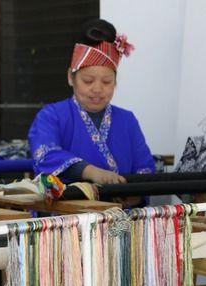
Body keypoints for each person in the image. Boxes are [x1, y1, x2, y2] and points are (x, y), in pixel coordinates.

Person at [28, 18, 155, 184]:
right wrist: (92, 172)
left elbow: (145, 168)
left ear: (115, 81)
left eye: (107, 81)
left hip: (123, 201)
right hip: (69, 202)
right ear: (70, 77)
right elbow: (45, 155)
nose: (97, 89)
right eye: (88, 80)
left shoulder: (127, 120)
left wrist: (132, 193)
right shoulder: (51, 116)